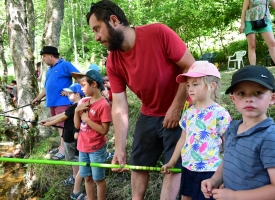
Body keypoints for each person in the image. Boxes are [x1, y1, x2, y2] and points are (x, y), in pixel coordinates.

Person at [86, 1, 195, 199]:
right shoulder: (113, 61)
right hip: (149, 112)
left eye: (97, 29)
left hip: (182, 109)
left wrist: (176, 107)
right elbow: (119, 105)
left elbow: (190, 67)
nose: (96, 37)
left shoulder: (158, 32)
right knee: (138, 163)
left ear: (113, 20)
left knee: (173, 165)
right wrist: (119, 148)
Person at [201, 65, 275, 200]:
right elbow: (228, 159)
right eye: (241, 93)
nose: (249, 99)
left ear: (273, 98)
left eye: (258, 93)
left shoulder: (271, 139)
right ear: (233, 99)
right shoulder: (232, 128)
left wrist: (235, 196)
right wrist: (215, 180)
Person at [161, 61, 231, 200]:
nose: (190, 89)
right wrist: (172, 161)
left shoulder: (220, 113)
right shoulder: (188, 112)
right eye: (188, 85)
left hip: (210, 171)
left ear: (212, 86)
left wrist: (226, 173)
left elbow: (228, 143)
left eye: (195, 84)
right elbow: (183, 138)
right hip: (188, 168)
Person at [32, 46, 80, 160]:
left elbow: (79, 77)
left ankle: (63, 150)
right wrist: (38, 98)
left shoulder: (65, 65)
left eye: (44, 56)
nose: (43, 59)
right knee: (58, 126)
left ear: (51, 56)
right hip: (52, 103)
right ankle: (61, 146)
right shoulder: (49, 71)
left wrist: (70, 89)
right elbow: (46, 88)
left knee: (62, 126)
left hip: (63, 102)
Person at [39, 83, 86, 199]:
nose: (67, 94)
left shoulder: (77, 106)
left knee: (76, 159)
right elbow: (61, 114)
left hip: (73, 139)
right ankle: (75, 176)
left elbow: (62, 118)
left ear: (77, 94)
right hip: (68, 137)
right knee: (73, 159)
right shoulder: (73, 105)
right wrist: (47, 119)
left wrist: (49, 124)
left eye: (70, 93)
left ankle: (77, 178)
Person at [72, 69, 112, 200]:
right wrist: (76, 111)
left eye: (83, 85)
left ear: (94, 84)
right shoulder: (84, 102)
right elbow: (77, 126)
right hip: (82, 147)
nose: (81, 88)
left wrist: (87, 119)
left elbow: (104, 130)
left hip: (96, 149)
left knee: (98, 179)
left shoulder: (103, 105)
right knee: (87, 177)